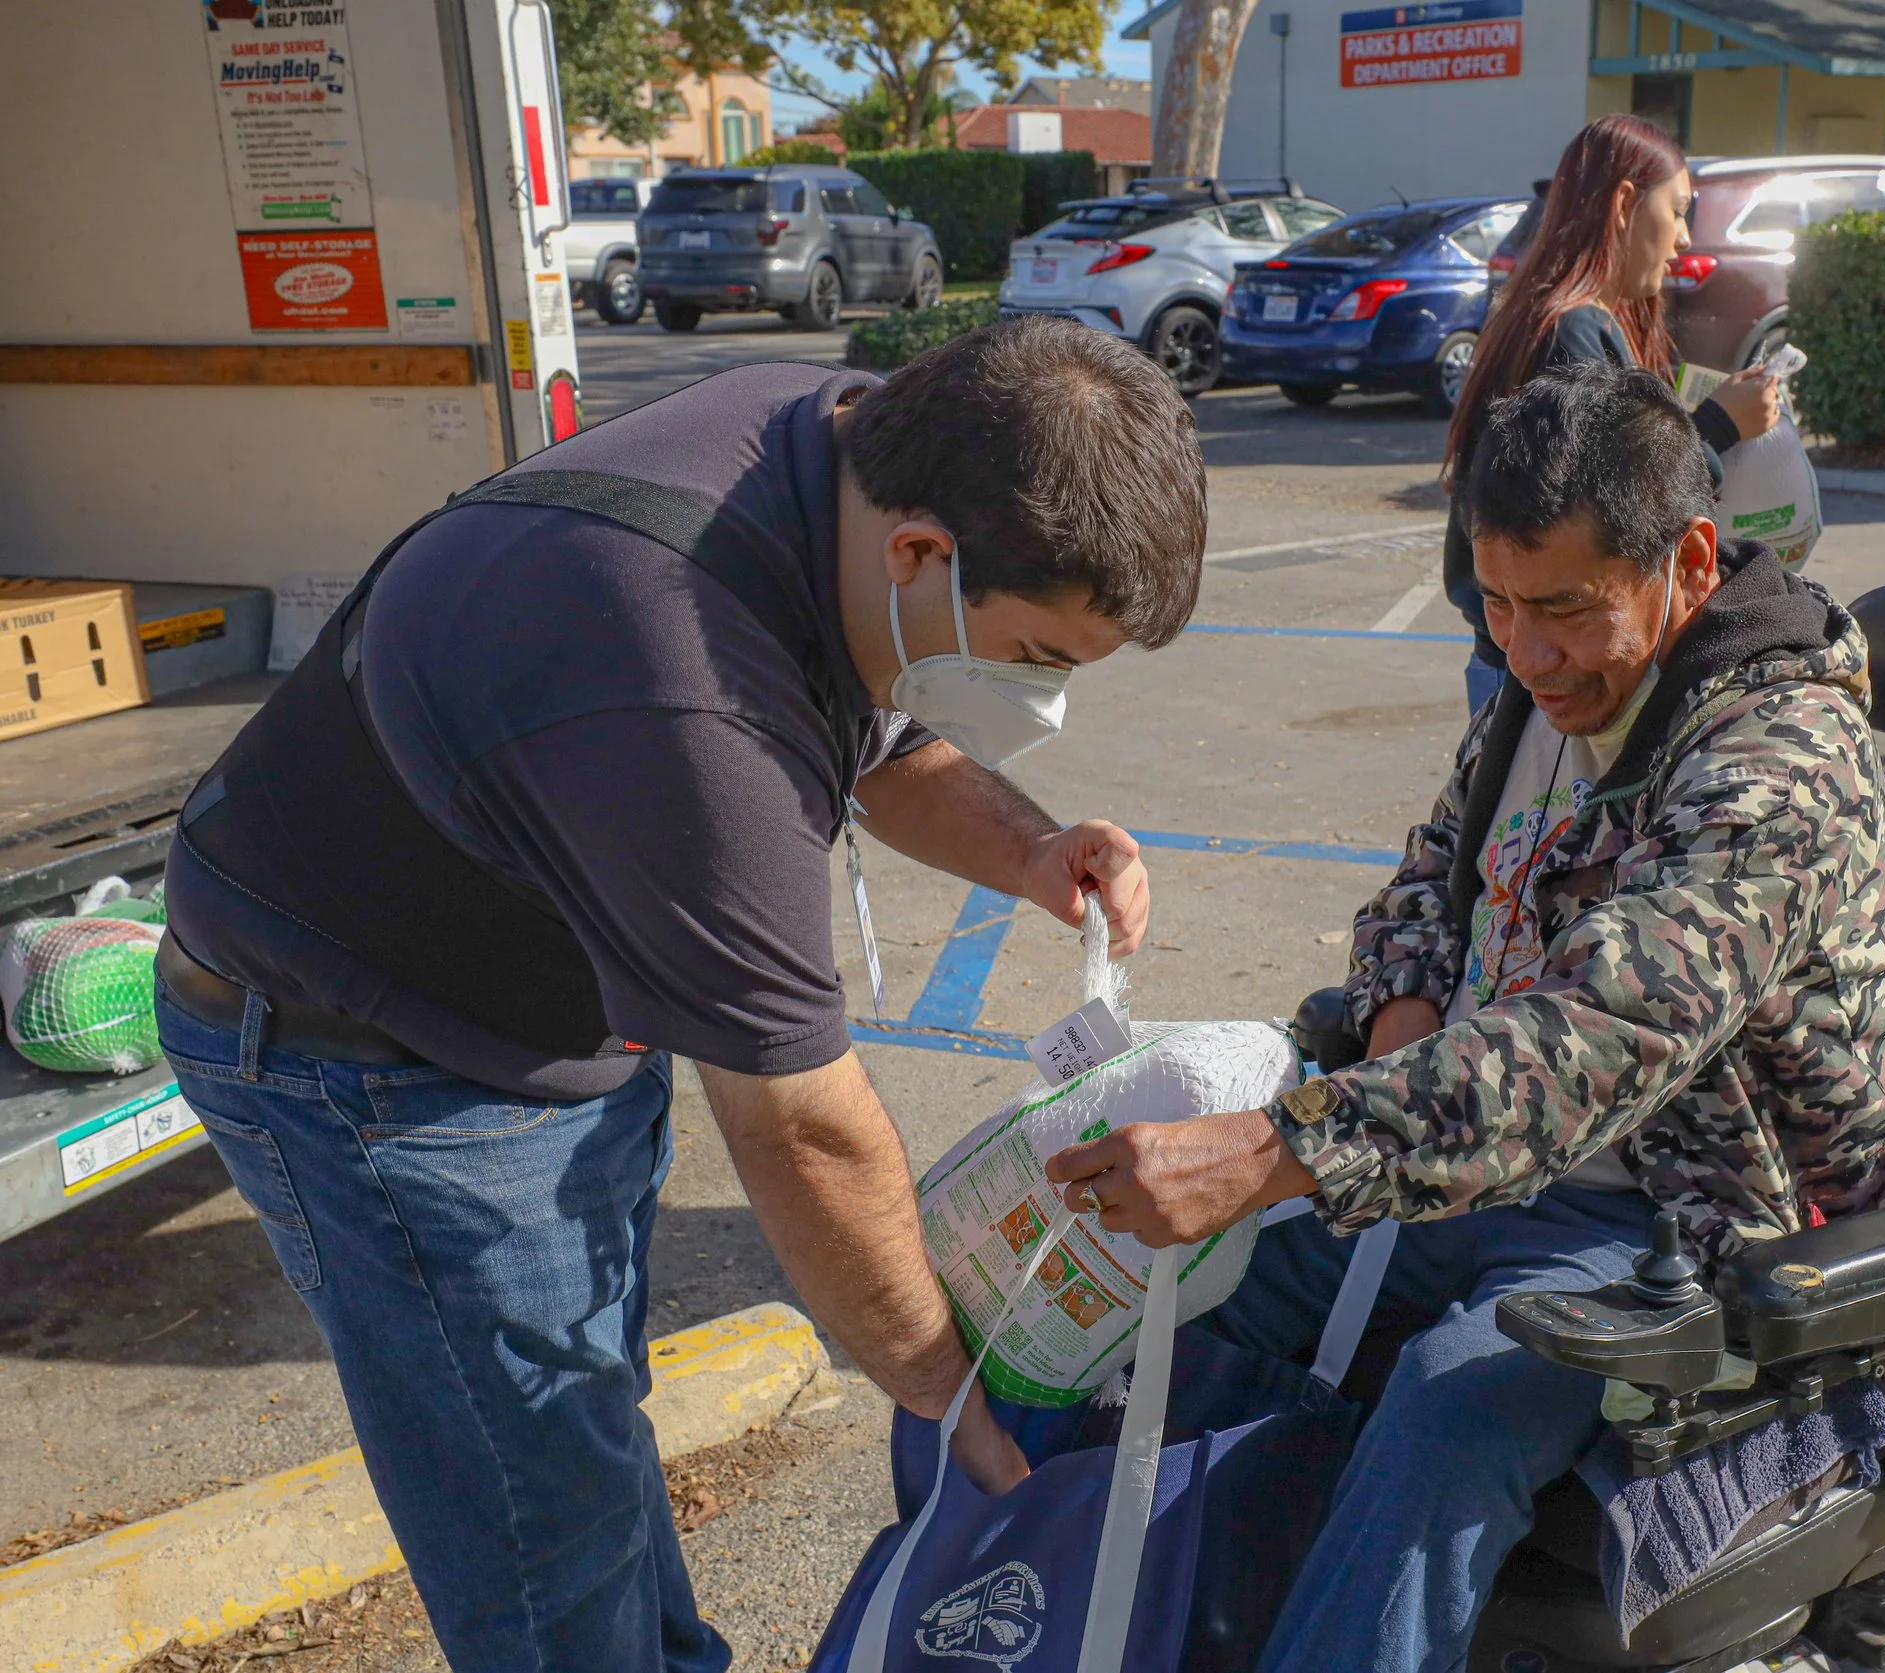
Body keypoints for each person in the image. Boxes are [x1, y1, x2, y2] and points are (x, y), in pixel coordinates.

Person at [154, 319, 1205, 1673]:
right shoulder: (682, 698)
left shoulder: (843, 450)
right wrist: (956, 1412)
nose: (1042, 700)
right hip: (375, 1056)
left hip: (539, 980)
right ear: (923, 557)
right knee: (543, 1521)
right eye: (1039, 660)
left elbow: (877, 721)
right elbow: (806, 1130)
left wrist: (1024, 846)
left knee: (586, 1431)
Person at [1046, 361, 1885, 1673]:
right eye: (1501, 608)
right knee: (1193, 1310)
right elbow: (1425, 889)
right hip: (1472, 1162)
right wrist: (1406, 1014)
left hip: (1690, 1214)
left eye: (1564, 610)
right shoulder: (1548, 693)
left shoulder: (1777, 756)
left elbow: (1604, 1031)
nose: (1525, 652)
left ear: (1690, 559)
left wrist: (1290, 1147)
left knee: (1446, 1414)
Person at [1444, 114, 1785, 712]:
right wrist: (1722, 424)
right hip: (1546, 674)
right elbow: (1612, 500)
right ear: (1626, 202)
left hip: (1521, 666)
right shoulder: (1571, 331)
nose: (1683, 238)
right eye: (1678, 209)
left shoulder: (1556, 316)